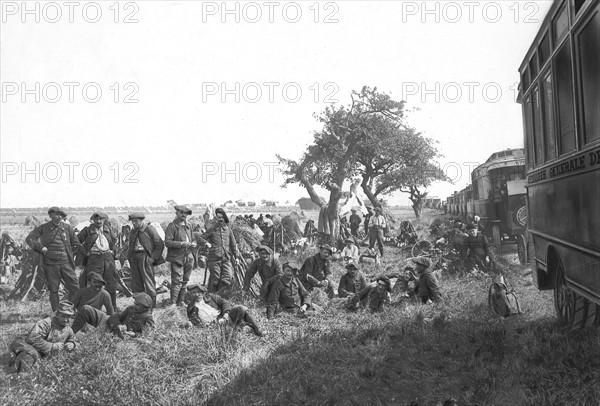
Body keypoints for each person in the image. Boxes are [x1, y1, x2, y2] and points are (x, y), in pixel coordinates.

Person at [25, 207, 80, 312]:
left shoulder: (67, 228)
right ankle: (56, 312)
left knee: (75, 287)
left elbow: (76, 243)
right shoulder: (44, 228)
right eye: (56, 215)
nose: (59, 217)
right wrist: (40, 247)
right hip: (51, 264)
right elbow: (29, 239)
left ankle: (71, 310)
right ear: (50, 215)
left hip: (66, 263)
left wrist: (72, 253)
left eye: (61, 215)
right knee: (54, 290)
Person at [8, 301, 78, 374]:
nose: (66, 320)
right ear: (57, 314)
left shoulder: (68, 329)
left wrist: (72, 344)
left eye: (69, 317)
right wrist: (53, 346)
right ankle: (20, 378)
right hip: (30, 350)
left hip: (46, 356)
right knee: (31, 356)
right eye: (63, 316)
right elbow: (32, 339)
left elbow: (75, 340)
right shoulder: (45, 323)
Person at [77, 211, 118, 310]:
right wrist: (85, 252)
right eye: (96, 219)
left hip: (108, 259)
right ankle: (93, 308)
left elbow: (114, 242)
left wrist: (114, 252)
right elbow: (76, 241)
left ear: (104, 220)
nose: (99, 221)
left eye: (101, 219)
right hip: (94, 259)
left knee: (111, 283)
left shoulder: (108, 230)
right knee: (94, 283)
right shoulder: (87, 230)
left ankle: (113, 308)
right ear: (93, 220)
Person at [186, 284, 262, 336]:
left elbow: (225, 302)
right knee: (231, 332)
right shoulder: (191, 308)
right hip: (215, 326)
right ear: (191, 294)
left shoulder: (211, 297)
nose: (197, 294)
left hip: (225, 317)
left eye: (199, 292)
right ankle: (241, 328)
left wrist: (226, 313)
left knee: (240, 308)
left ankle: (258, 330)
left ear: (202, 293)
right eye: (194, 293)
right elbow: (195, 321)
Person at [72, 292, 154, 337]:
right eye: (135, 303)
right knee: (86, 309)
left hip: (118, 335)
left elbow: (148, 337)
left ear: (145, 308)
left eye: (137, 305)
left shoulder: (147, 318)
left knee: (89, 339)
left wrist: (133, 334)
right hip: (111, 324)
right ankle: (70, 334)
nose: (134, 305)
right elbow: (116, 316)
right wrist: (118, 325)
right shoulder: (131, 308)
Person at [197, 208, 239, 293]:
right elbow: (200, 238)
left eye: (222, 217)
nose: (220, 219)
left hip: (226, 258)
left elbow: (233, 245)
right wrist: (205, 243)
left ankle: (221, 297)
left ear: (225, 218)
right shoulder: (212, 230)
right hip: (214, 259)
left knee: (227, 277)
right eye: (218, 217)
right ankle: (211, 297)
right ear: (216, 219)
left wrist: (236, 257)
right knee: (215, 279)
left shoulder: (228, 230)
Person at [127, 213, 165, 308]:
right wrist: (129, 258)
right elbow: (130, 246)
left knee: (149, 284)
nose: (134, 223)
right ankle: (140, 306)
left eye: (136, 221)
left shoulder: (149, 229)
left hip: (145, 258)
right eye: (132, 221)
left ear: (141, 221)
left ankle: (152, 307)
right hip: (134, 258)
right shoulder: (133, 231)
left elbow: (160, 244)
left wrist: (153, 258)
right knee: (136, 284)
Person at [165, 205, 197, 306]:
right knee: (176, 281)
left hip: (189, 256)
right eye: (181, 213)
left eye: (185, 213)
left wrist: (194, 243)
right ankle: (173, 303)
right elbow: (168, 242)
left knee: (185, 280)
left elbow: (193, 238)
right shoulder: (172, 226)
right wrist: (181, 244)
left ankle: (181, 301)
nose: (183, 215)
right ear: (177, 213)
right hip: (177, 257)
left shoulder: (189, 226)